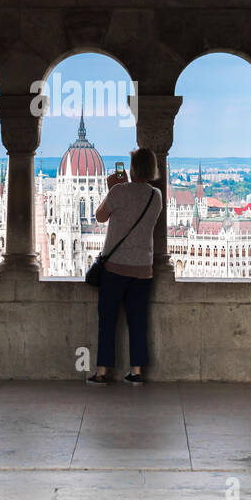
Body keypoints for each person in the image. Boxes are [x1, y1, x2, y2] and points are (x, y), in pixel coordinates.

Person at [86, 146, 163, 386]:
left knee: (108, 321)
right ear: (151, 169)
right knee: (138, 321)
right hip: (143, 268)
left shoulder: (118, 191)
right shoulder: (156, 196)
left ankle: (102, 372)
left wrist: (111, 190)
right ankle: (136, 372)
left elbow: (99, 216)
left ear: (131, 168)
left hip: (116, 268)